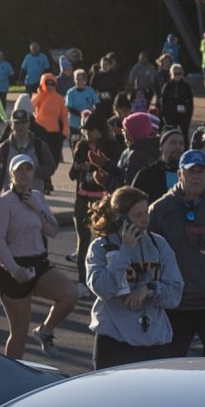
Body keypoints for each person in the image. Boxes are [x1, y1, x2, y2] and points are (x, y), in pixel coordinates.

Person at [148, 149, 205, 357]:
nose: (196, 176)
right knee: (171, 370)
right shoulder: (160, 210)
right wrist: (161, 285)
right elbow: (146, 252)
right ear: (180, 174)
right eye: (191, 172)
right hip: (175, 306)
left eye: (201, 171)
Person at [0, 155, 78, 359]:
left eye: (28, 169)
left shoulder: (37, 196)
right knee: (19, 332)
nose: (24, 174)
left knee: (70, 294)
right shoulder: (4, 203)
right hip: (14, 268)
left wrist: (37, 207)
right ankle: (12, 375)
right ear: (12, 173)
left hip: (39, 263)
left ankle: (45, 331)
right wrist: (13, 269)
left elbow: (53, 230)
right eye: (19, 170)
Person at [86, 186, 184, 369]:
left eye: (146, 213)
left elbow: (175, 293)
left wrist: (149, 289)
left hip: (154, 341)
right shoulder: (100, 247)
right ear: (120, 218)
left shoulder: (158, 244)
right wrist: (125, 250)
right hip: (115, 342)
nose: (145, 220)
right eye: (138, 215)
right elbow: (103, 289)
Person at [69, 101, 122, 284]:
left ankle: (106, 279)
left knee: (105, 241)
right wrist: (79, 167)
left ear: (100, 130)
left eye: (90, 129)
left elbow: (116, 171)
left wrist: (94, 166)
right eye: (85, 129)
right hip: (83, 196)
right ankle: (82, 281)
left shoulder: (113, 146)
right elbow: (71, 174)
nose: (86, 132)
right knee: (83, 239)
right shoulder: (81, 146)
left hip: (104, 199)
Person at [0, 108, 56, 200]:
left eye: (23, 123)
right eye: (17, 123)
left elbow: (51, 167)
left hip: (35, 200)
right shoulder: (4, 148)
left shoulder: (39, 145)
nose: (20, 126)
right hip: (11, 201)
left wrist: (33, 172)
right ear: (11, 125)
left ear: (28, 124)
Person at [31, 71, 70, 185]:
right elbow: (31, 107)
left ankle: (48, 176)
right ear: (42, 84)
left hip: (55, 133)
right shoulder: (38, 96)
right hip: (40, 132)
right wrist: (39, 94)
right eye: (47, 83)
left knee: (55, 159)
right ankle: (46, 181)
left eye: (52, 84)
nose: (49, 86)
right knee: (42, 158)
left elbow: (64, 116)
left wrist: (65, 131)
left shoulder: (59, 99)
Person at [134, 127, 185, 206]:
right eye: (173, 143)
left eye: (181, 143)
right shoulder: (146, 175)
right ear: (161, 147)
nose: (178, 147)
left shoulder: (188, 174)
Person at [118, 111, 160, 185]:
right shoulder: (156, 149)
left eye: (125, 131)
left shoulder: (135, 156)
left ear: (130, 134)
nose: (124, 135)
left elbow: (127, 187)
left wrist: (106, 181)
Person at [64, 68, 100, 145]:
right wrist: (82, 114)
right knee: (75, 145)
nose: (78, 81)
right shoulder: (70, 92)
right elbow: (69, 108)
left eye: (80, 79)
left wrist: (90, 114)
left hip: (88, 125)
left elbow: (97, 104)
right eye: (77, 79)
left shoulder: (90, 91)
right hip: (74, 125)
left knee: (88, 145)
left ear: (85, 80)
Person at [160, 62, 194, 141]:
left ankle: (185, 151)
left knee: (185, 135)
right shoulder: (167, 86)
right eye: (175, 73)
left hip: (183, 115)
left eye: (179, 73)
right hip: (170, 115)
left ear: (182, 74)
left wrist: (188, 115)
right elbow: (163, 101)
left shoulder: (186, 86)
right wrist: (164, 115)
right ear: (171, 74)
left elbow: (190, 102)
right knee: (170, 135)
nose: (177, 75)